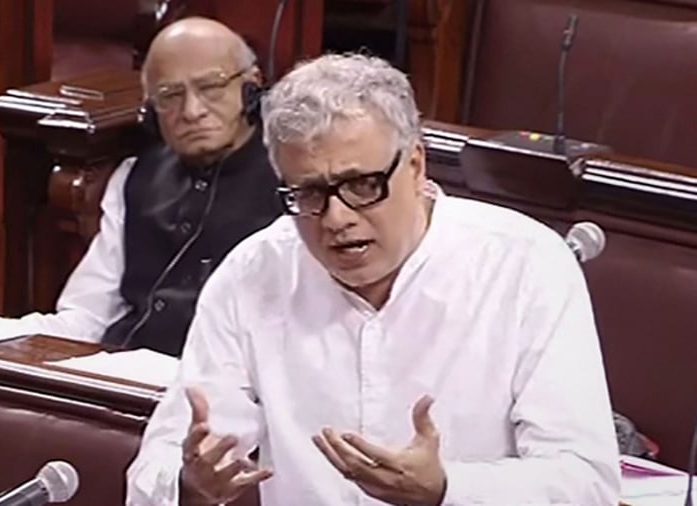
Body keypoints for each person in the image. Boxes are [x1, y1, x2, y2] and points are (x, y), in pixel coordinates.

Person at [125, 53, 621, 505]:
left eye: (363, 185)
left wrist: (447, 489)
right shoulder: (255, 272)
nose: (336, 219)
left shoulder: (524, 265)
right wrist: (190, 487)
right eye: (310, 194)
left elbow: (586, 482)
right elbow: (162, 464)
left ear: (415, 164)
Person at [22, 18, 281, 356]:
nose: (192, 111)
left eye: (211, 87)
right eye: (170, 95)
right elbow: (86, 316)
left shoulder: (293, 181)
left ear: (252, 86)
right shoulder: (135, 176)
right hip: (125, 376)